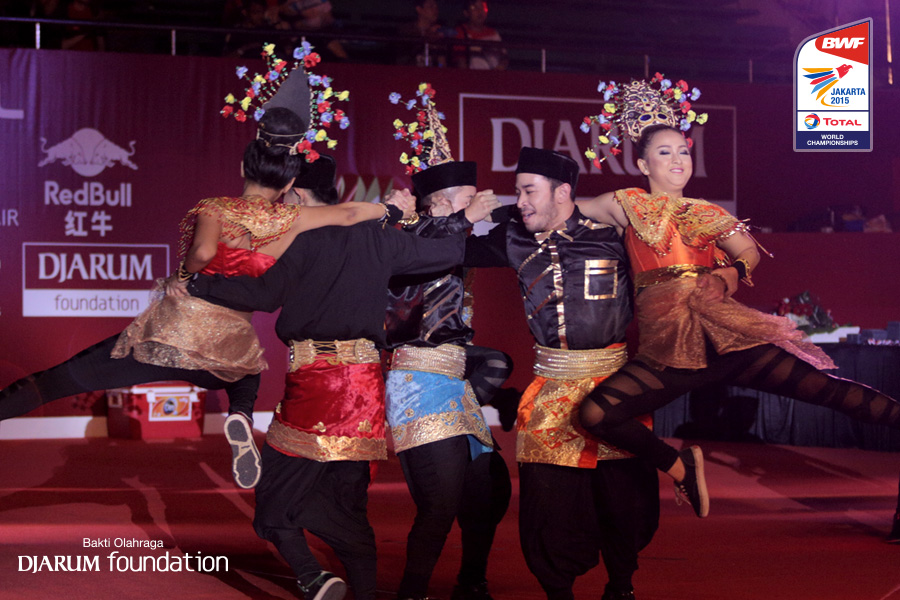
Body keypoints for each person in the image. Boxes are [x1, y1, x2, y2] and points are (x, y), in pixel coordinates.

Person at [0, 108, 412, 492]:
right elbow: (348, 214)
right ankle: (240, 416)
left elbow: (200, 253)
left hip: (175, 329)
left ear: (242, 169)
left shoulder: (215, 207)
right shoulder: (292, 218)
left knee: (62, 378)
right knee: (246, 378)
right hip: (229, 341)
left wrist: (180, 277)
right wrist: (390, 210)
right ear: (289, 186)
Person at [574, 77, 900, 521]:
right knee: (596, 414)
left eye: (683, 151)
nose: (678, 160)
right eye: (665, 152)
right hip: (668, 351)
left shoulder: (709, 212)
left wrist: (728, 274)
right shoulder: (624, 203)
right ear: (643, 163)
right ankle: (680, 466)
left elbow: (748, 251)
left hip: (726, 338)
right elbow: (564, 211)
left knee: (830, 393)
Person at [184, 195, 467, 600]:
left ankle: (311, 574)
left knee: (273, 500)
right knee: (348, 501)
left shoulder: (301, 237)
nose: (281, 206)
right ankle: (360, 590)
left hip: (317, 385)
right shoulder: (378, 238)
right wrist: (456, 220)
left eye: (287, 198)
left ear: (300, 196)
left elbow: (263, 295)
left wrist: (197, 282)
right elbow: (446, 254)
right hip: (365, 388)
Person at [464, 147, 660, 600]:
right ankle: (558, 592)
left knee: (624, 499)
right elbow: (450, 250)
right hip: (551, 390)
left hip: (614, 389)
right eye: (518, 192)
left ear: (562, 192)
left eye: (528, 191)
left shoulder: (613, 236)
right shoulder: (513, 239)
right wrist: (456, 216)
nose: (520, 201)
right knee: (547, 503)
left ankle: (621, 588)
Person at [384, 157, 511, 600]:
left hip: (454, 381)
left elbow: (501, 247)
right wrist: (465, 218)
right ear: (438, 205)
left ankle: (472, 582)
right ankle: (412, 592)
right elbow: (419, 250)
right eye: (468, 199)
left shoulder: (457, 242)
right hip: (418, 380)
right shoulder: (409, 238)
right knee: (439, 503)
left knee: (486, 489)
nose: (479, 203)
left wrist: (517, 212)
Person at [452, 0, 507, 70]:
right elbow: (460, 60)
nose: (480, 11)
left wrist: (498, 70)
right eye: (474, 8)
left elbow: (504, 57)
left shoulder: (493, 33)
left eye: (482, 7)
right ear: (466, 13)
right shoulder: (460, 32)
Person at [397, 0, 448, 67]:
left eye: (436, 7)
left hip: (432, 72)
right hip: (410, 71)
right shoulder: (407, 30)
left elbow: (441, 63)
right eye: (431, 6)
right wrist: (427, 37)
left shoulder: (438, 32)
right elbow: (402, 58)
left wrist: (441, 66)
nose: (435, 10)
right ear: (419, 9)